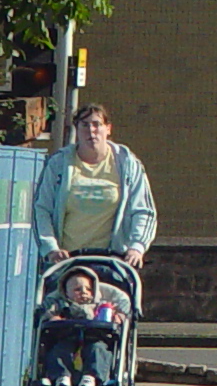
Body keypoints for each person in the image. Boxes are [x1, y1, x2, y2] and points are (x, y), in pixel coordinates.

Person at [33, 103, 157, 270]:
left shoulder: (127, 163)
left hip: (114, 260)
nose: (91, 131)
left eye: (97, 124)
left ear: (108, 129)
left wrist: (137, 247)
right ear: (76, 129)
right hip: (68, 261)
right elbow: (42, 209)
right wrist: (51, 248)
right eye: (84, 125)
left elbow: (143, 210)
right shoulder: (59, 163)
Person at [35, 267, 123, 386]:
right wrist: (53, 317)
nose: (84, 292)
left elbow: (116, 314)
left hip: (94, 338)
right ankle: (62, 377)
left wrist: (117, 317)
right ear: (65, 293)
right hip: (67, 337)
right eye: (77, 289)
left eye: (88, 289)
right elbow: (47, 312)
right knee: (59, 351)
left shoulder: (99, 306)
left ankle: (91, 378)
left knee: (98, 350)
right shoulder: (61, 305)